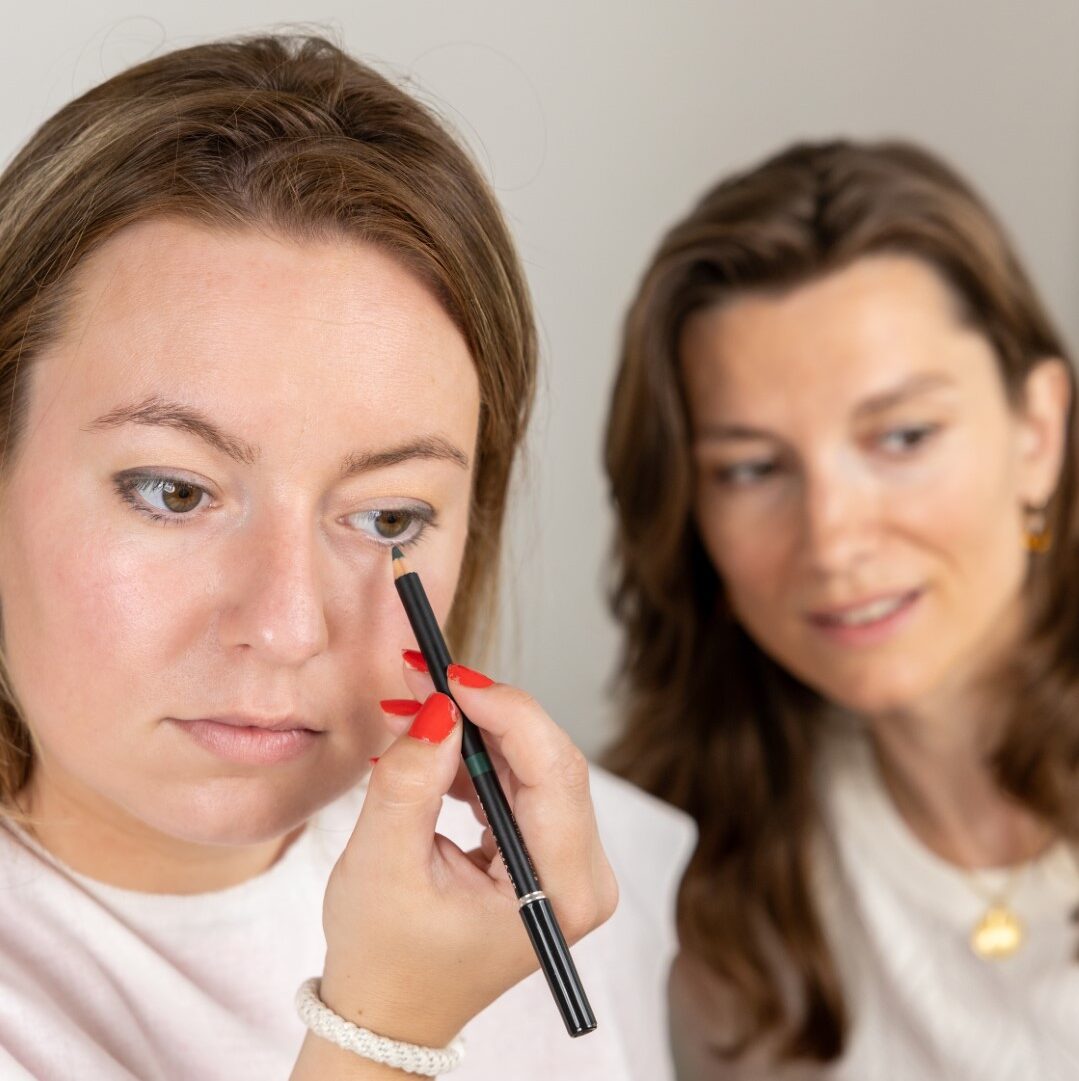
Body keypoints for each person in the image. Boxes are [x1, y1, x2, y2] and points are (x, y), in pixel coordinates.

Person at [0, 33, 692, 1080]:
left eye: (386, 520)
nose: (285, 625)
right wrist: (382, 1036)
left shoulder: (601, 879)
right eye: (174, 492)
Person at [603, 139, 1079, 1080]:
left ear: (1037, 432)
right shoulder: (689, 863)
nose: (832, 539)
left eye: (901, 436)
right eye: (751, 468)